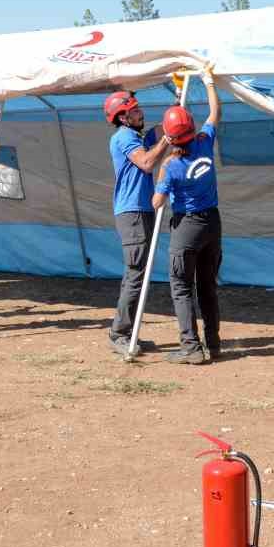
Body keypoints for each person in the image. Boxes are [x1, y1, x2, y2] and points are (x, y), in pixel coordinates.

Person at [151, 71, 223, 364]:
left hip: (187, 227)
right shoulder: (205, 142)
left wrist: (161, 172)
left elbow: (157, 202)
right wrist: (208, 82)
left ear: (169, 137)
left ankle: (190, 348)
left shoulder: (171, 165)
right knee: (207, 286)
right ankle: (214, 344)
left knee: (181, 287)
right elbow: (215, 111)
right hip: (213, 224)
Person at [103, 89, 171, 356]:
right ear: (122, 116)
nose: (140, 112)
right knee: (135, 275)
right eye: (134, 110)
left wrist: (177, 103)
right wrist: (166, 140)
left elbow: (161, 130)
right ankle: (119, 333)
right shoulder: (124, 137)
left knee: (138, 275)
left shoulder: (136, 135)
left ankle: (127, 332)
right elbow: (146, 162)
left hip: (141, 210)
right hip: (132, 213)